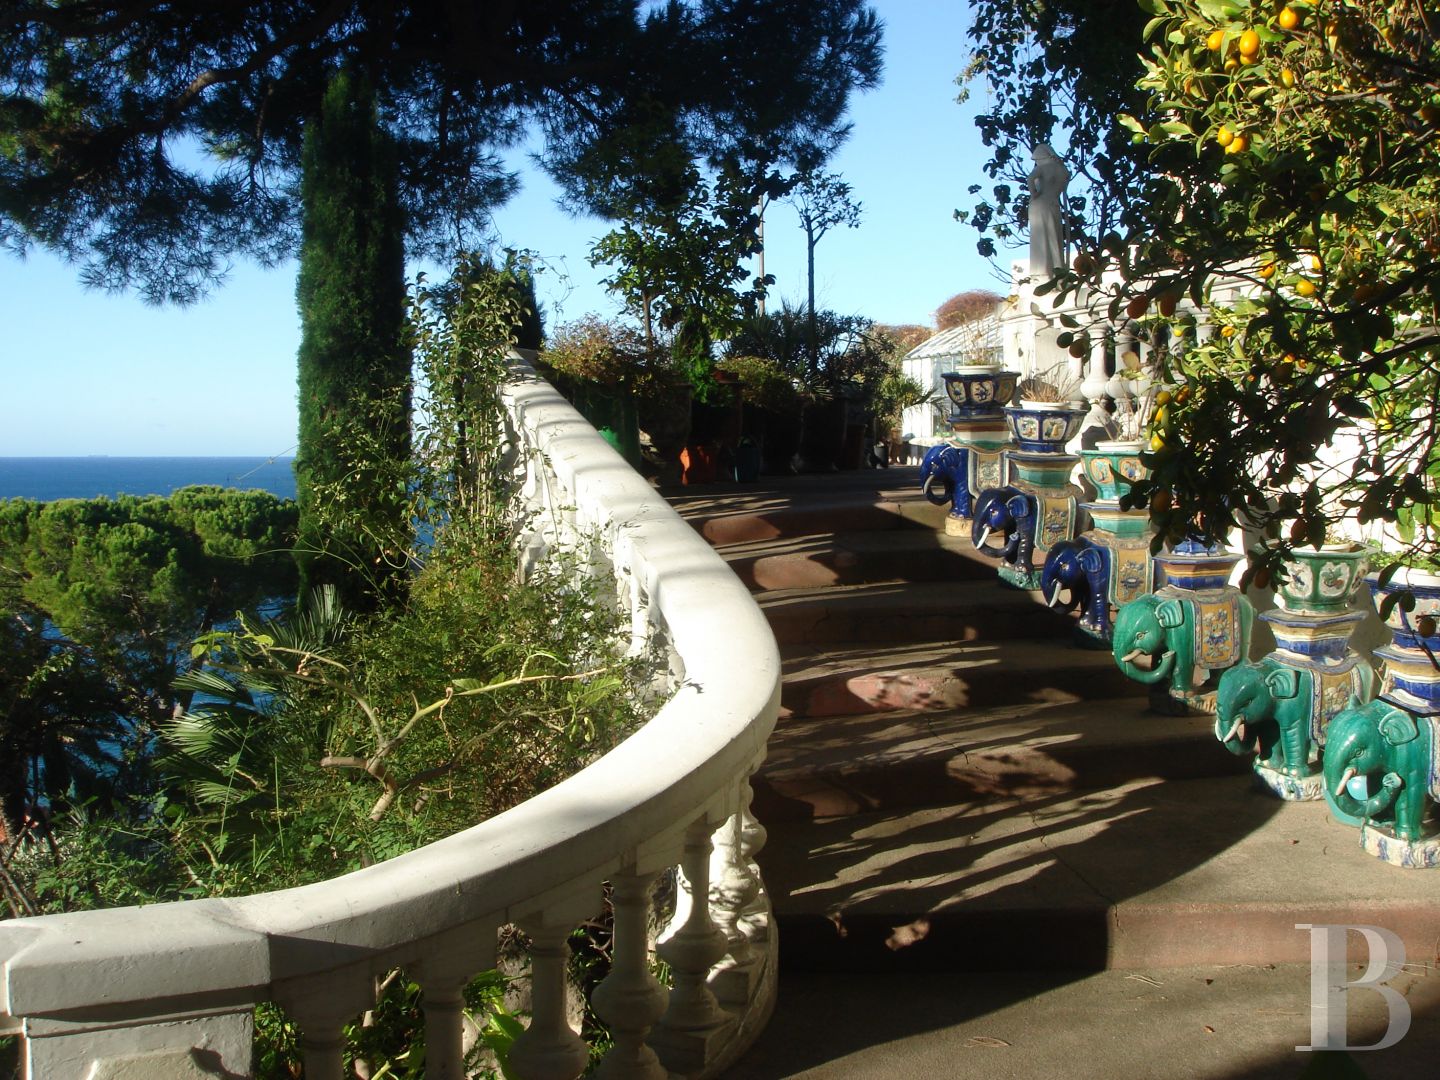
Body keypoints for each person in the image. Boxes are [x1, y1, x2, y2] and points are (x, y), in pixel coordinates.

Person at [1027, 144, 1070, 277]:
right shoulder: (1063, 170)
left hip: (1040, 204)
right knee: (1054, 235)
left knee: (1040, 236)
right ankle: (1057, 268)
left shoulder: (1042, 168)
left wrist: (1034, 194)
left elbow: (1030, 179)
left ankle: (1041, 271)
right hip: (1054, 204)